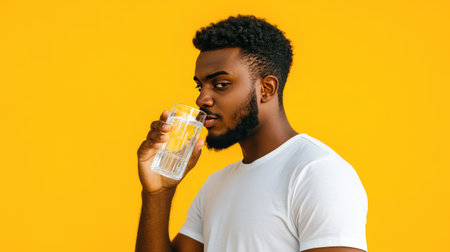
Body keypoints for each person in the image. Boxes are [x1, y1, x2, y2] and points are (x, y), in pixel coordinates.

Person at [136, 15, 368, 252]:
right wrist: (158, 193)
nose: (201, 99)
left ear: (266, 89)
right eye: (200, 86)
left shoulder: (317, 173)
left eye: (220, 84)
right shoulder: (216, 184)